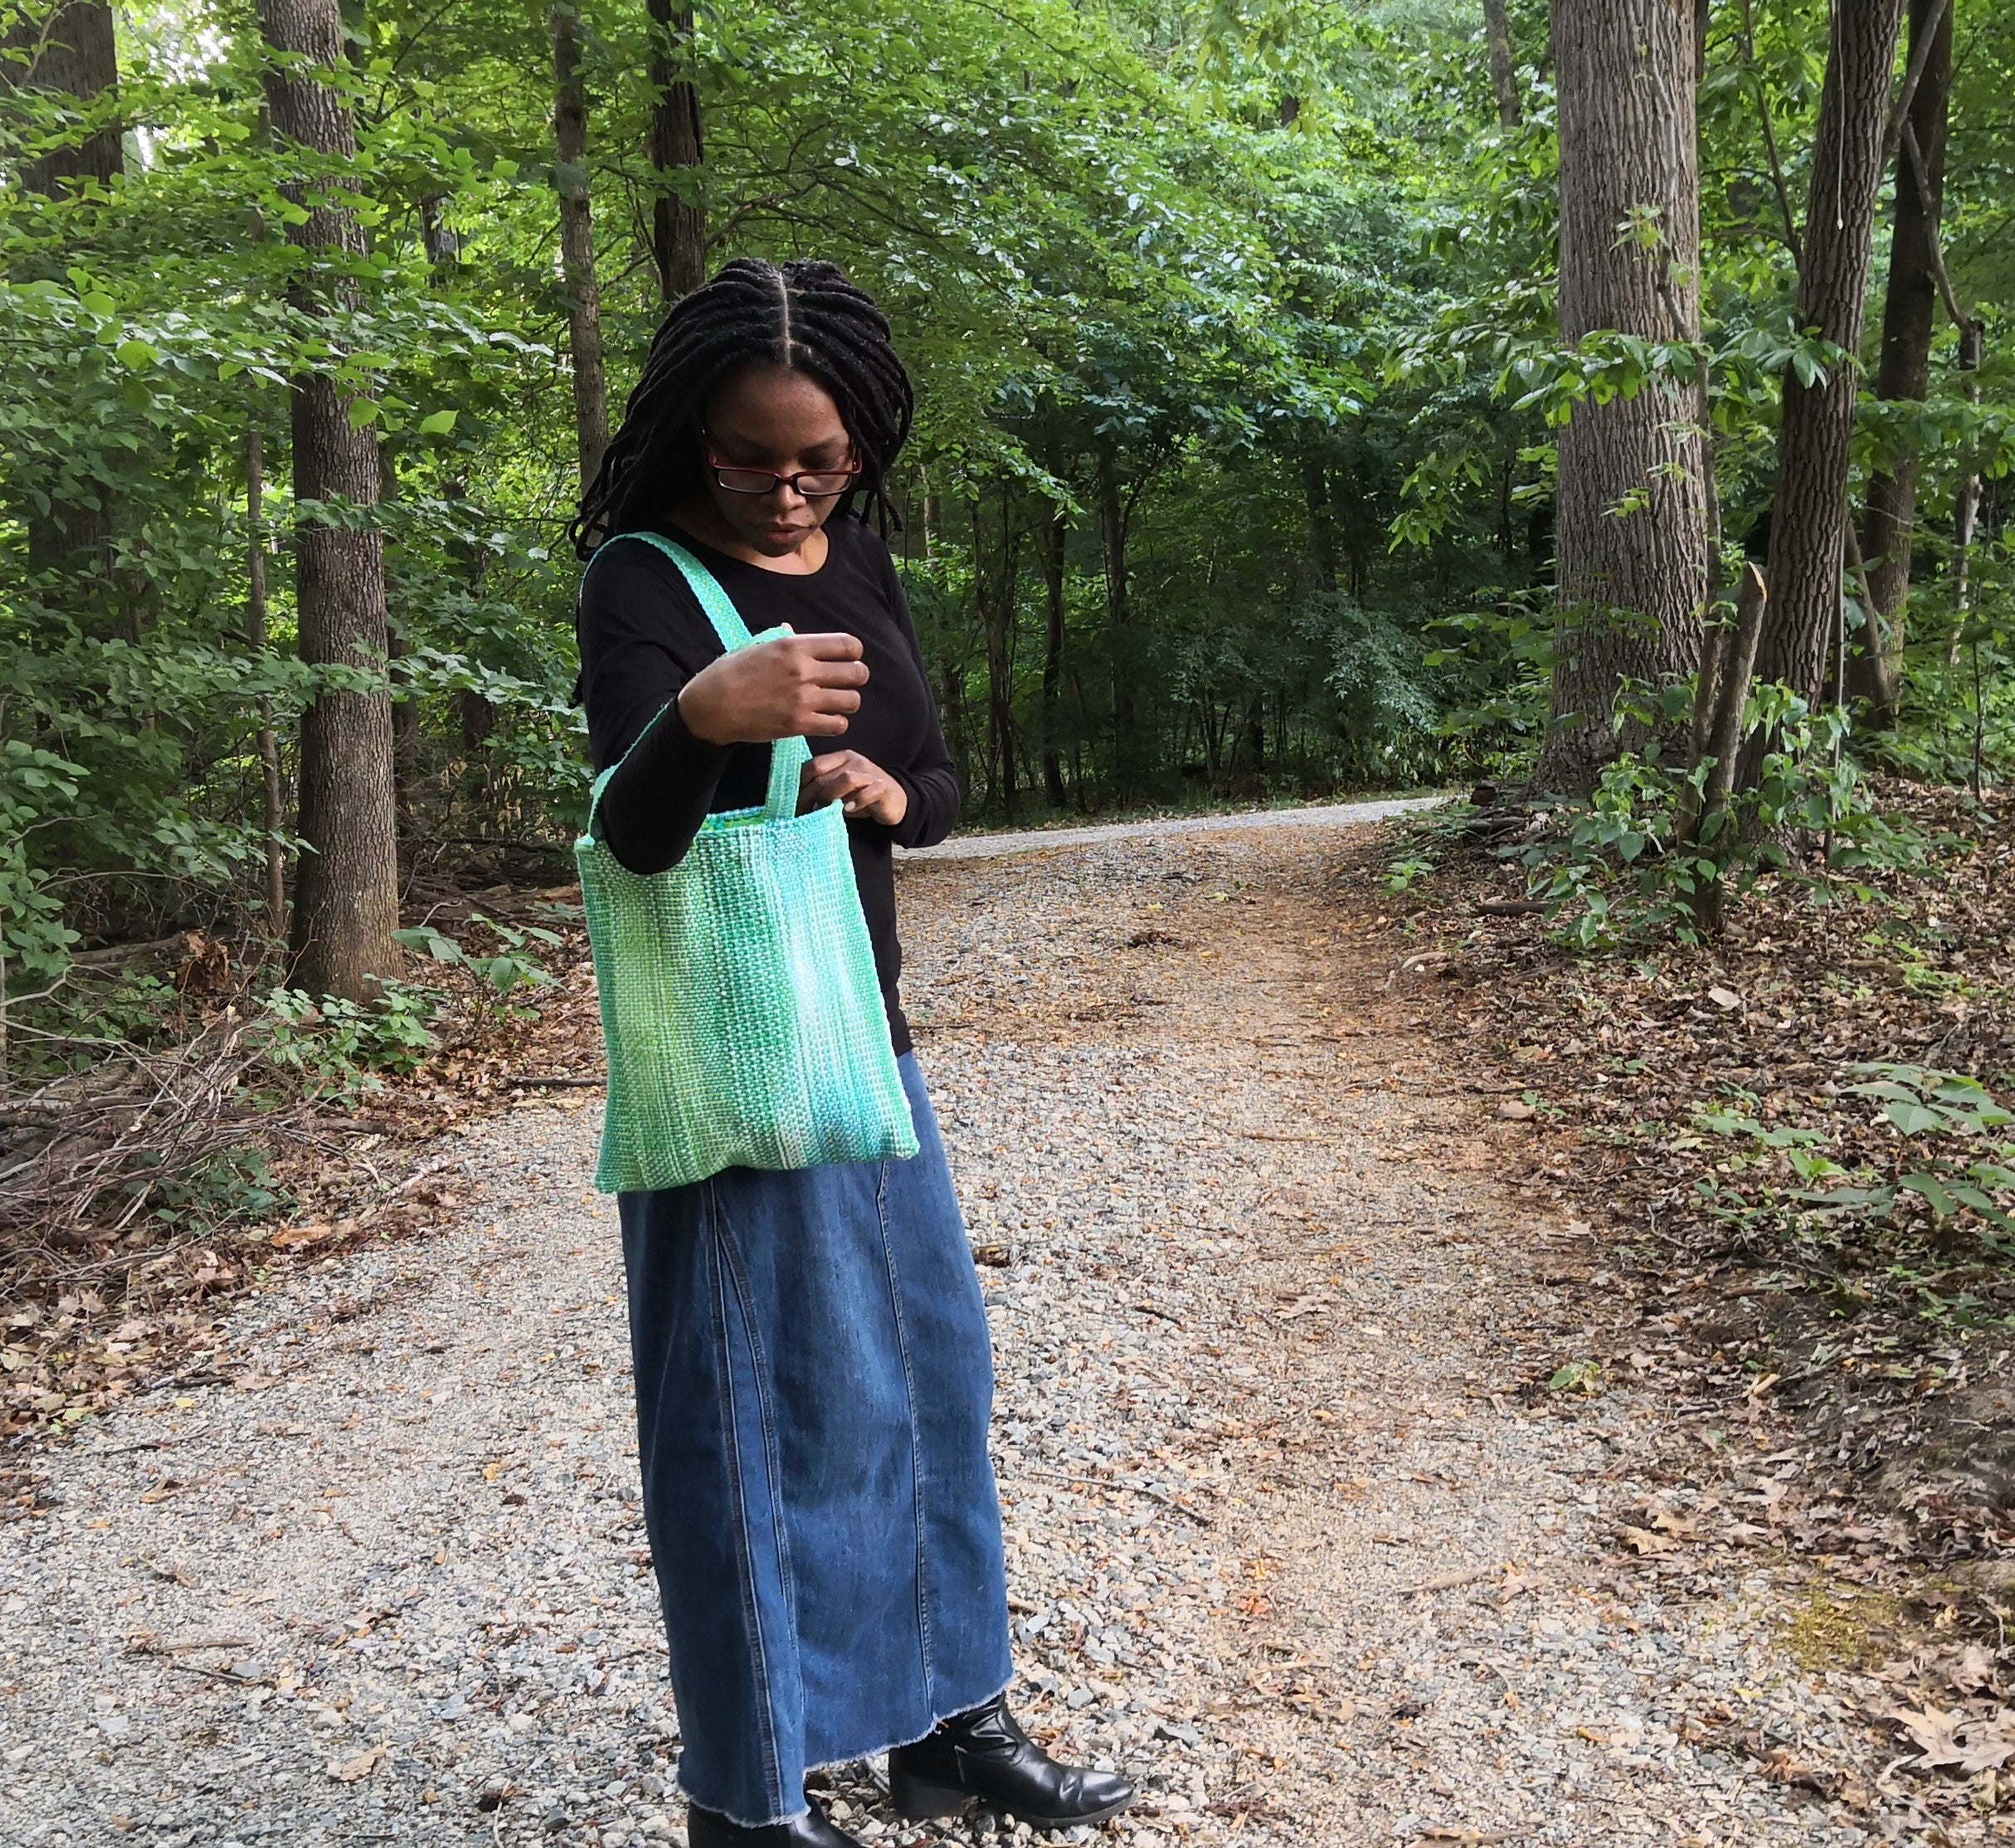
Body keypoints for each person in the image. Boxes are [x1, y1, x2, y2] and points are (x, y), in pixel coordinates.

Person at [571, 258, 1136, 1848]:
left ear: (862, 447)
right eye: (748, 458)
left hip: (863, 1046)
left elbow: (938, 779)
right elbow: (631, 832)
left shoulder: (861, 559)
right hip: (734, 1072)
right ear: (694, 441)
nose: (783, 488)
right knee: (759, 1420)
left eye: (817, 460)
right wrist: (703, 714)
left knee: (929, 1390)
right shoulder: (646, 581)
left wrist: (893, 799)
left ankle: (951, 1730)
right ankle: (748, 1799)